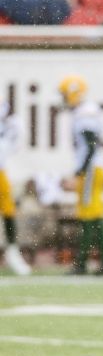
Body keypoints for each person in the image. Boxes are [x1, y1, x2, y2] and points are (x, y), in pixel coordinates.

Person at [59, 75, 103, 275]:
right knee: (94, 215)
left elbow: (90, 146)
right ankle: (101, 262)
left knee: (90, 216)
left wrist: (79, 172)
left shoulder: (84, 113)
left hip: (90, 169)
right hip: (93, 167)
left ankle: (84, 263)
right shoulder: (86, 111)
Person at [0, 99, 31, 275]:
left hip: (1, 170)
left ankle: (12, 253)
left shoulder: (12, 121)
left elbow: (16, 143)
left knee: (8, 212)